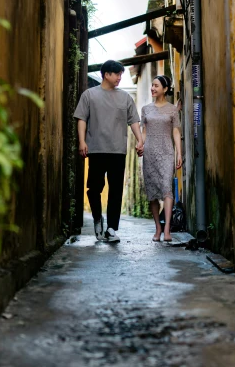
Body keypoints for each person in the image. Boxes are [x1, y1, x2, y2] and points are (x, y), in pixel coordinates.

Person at [74, 59, 144, 243]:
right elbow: (81, 118)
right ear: (106, 74)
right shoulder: (89, 95)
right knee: (93, 188)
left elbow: (134, 121)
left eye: (121, 74)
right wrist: (82, 141)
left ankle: (112, 228)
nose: (120, 77)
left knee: (115, 190)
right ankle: (98, 218)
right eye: (117, 74)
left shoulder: (126, 98)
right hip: (96, 149)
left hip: (117, 151)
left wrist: (140, 140)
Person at [141, 75, 182, 243]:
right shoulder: (145, 109)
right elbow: (144, 131)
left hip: (166, 152)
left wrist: (179, 153)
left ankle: (167, 230)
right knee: (152, 193)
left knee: (167, 188)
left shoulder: (172, 109)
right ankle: (157, 228)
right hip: (149, 153)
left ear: (165, 89)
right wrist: (140, 144)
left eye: (156, 86)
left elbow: (176, 131)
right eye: (152, 85)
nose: (152, 88)